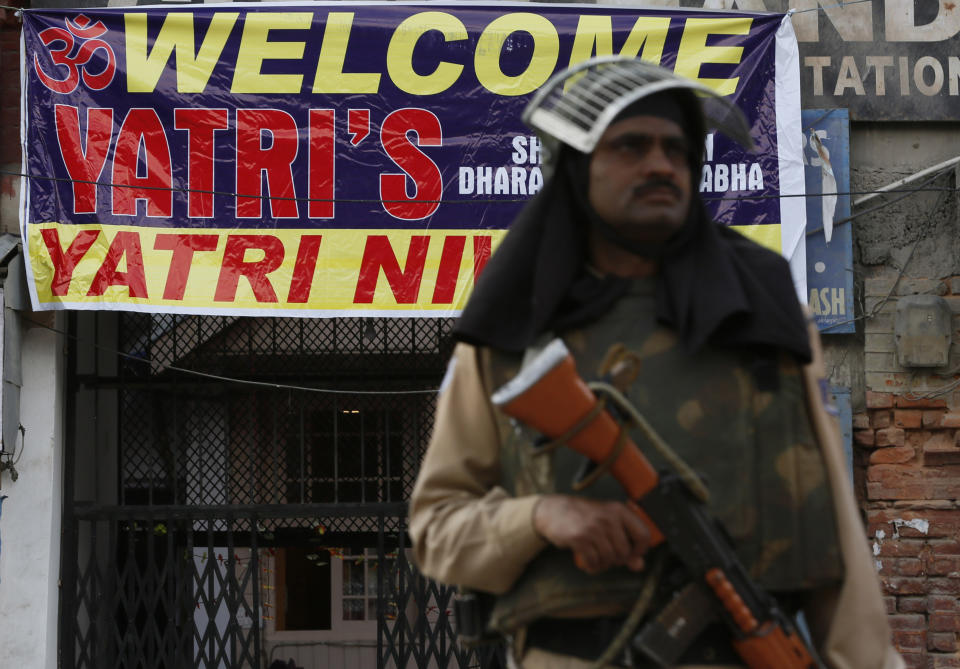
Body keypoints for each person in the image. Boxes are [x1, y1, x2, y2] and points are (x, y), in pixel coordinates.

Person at [409, 58, 903, 669]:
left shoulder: (762, 310)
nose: (660, 164)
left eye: (677, 148)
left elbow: (833, 535)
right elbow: (436, 528)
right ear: (575, 167)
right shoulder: (514, 328)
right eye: (630, 145)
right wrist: (538, 517)